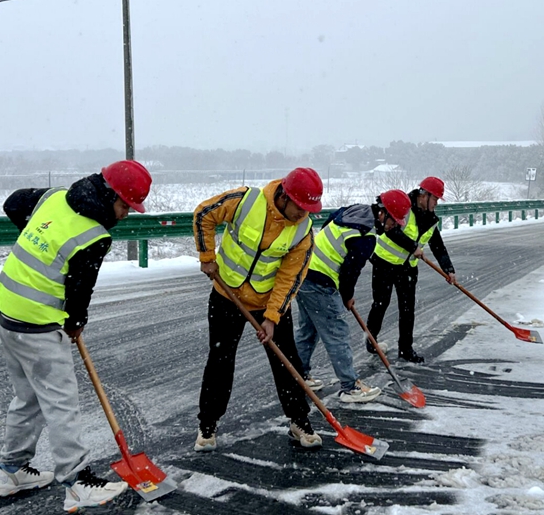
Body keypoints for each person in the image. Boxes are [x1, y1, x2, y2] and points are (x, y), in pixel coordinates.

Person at [0, 160, 152, 514]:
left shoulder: (55, 197)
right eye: (124, 205)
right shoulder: (94, 236)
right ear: (108, 194)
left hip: (6, 309)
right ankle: (77, 483)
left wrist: (39, 240)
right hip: (37, 322)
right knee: (62, 403)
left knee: (27, 396)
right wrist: (76, 322)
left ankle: (12, 471)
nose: (125, 215)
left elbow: (14, 203)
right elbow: (80, 291)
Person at [192, 167, 323, 453]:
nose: (303, 214)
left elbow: (291, 277)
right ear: (285, 196)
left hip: (267, 303)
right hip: (226, 295)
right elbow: (204, 214)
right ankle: (208, 424)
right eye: (300, 207)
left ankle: (299, 420)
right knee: (221, 359)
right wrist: (206, 257)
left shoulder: (303, 232)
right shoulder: (245, 201)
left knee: (286, 360)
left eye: (308, 209)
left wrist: (272, 317)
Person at [294, 190, 412, 403]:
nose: (394, 226)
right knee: (337, 333)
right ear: (382, 213)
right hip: (321, 282)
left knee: (309, 330)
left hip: (302, 272)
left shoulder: (353, 210)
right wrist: (347, 296)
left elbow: (328, 224)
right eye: (393, 221)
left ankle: (298, 376)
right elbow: (350, 273)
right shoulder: (366, 236)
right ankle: (350, 387)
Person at [367, 176, 456, 363]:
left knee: (407, 310)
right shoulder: (403, 206)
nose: (436, 204)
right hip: (384, 263)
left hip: (407, 269)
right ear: (424, 195)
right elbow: (390, 229)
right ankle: (371, 339)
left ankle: (405, 349)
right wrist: (412, 246)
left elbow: (437, 245)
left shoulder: (431, 219)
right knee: (381, 304)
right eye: (436, 199)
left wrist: (448, 269)